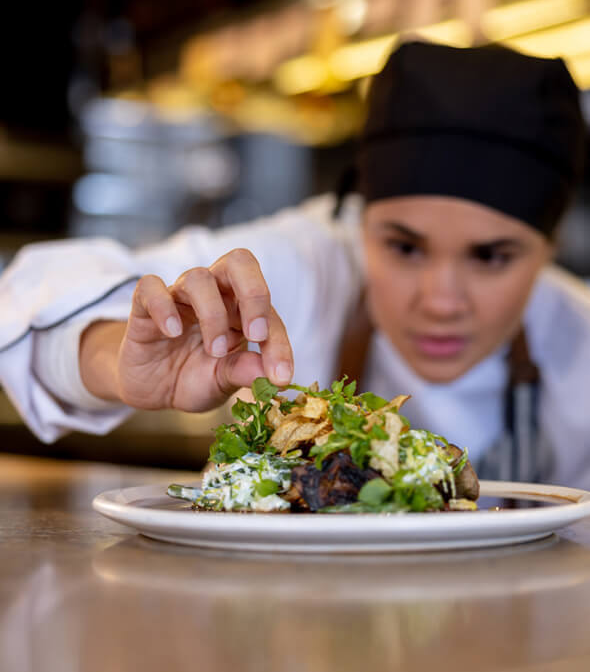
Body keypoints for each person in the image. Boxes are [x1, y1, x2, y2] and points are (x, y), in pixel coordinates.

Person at [0, 41, 588, 486]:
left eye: (491, 257)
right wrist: (119, 362)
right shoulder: (306, 266)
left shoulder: (580, 344)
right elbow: (25, 298)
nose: (438, 300)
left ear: (550, 246)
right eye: (403, 247)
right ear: (358, 220)